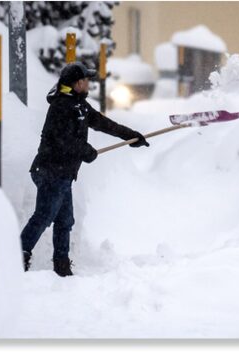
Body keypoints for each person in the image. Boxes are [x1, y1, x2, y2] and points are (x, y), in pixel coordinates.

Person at [20, 62, 149, 277]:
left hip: (63, 173)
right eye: (86, 80)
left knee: (64, 220)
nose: (89, 83)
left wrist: (131, 136)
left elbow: (103, 123)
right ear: (78, 83)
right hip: (50, 170)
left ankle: (61, 266)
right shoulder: (61, 106)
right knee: (44, 216)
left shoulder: (80, 105)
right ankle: (17, 257)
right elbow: (62, 141)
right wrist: (85, 151)